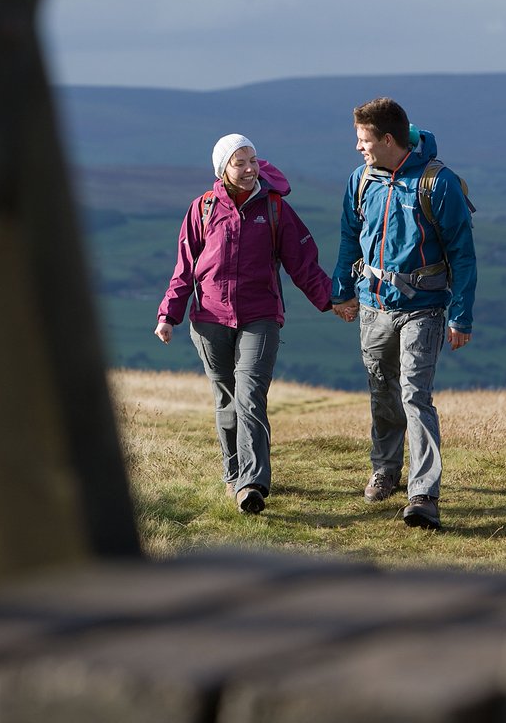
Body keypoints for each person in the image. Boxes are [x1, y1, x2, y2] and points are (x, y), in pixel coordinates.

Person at [155, 134, 335, 514]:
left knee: (250, 395)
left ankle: (252, 483)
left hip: (261, 316)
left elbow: (303, 261)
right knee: (227, 401)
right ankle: (233, 475)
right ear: (223, 169)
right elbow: (185, 268)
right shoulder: (202, 209)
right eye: (241, 162)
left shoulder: (274, 209)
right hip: (209, 320)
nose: (250, 168)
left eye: (254, 160)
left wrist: (331, 299)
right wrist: (168, 314)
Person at [328, 98, 476, 530]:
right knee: (382, 390)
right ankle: (386, 470)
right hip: (372, 305)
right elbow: (348, 238)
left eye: (363, 140)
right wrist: (342, 291)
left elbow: (463, 255)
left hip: (424, 308)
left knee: (414, 393)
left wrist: (460, 316)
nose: (358, 147)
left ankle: (423, 493)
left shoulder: (438, 183)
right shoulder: (360, 181)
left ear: (387, 139)